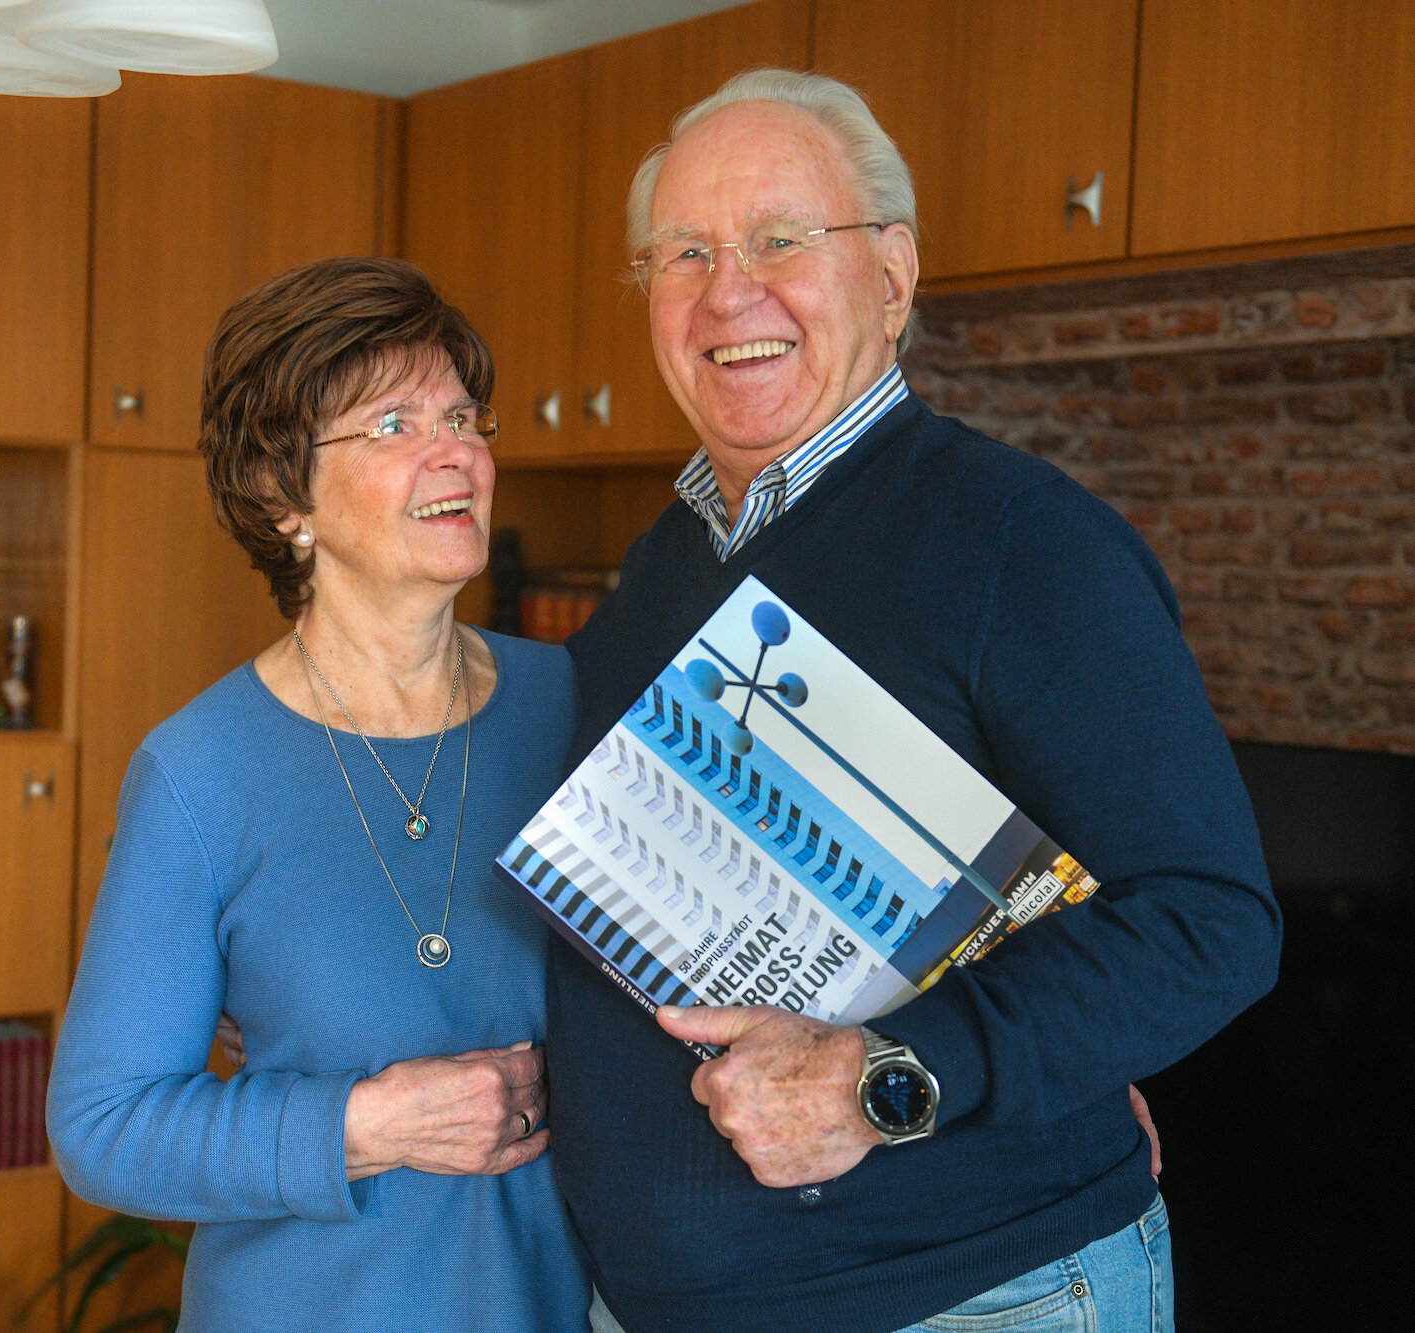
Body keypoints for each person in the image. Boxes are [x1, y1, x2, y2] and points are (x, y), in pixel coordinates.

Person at [548, 69, 1281, 1333]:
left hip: (973, 1299)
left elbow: (1208, 922)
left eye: (780, 238)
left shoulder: (1022, 545)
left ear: (889, 277)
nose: (729, 289)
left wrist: (888, 1075)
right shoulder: (664, 565)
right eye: (682, 251)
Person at [47, 257, 590, 1333]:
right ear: (277, 492)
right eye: (392, 424)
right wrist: (370, 1119)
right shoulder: (198, 770)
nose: (455, 453)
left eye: (462, 415)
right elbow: (104, 1126)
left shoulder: (570, 702)